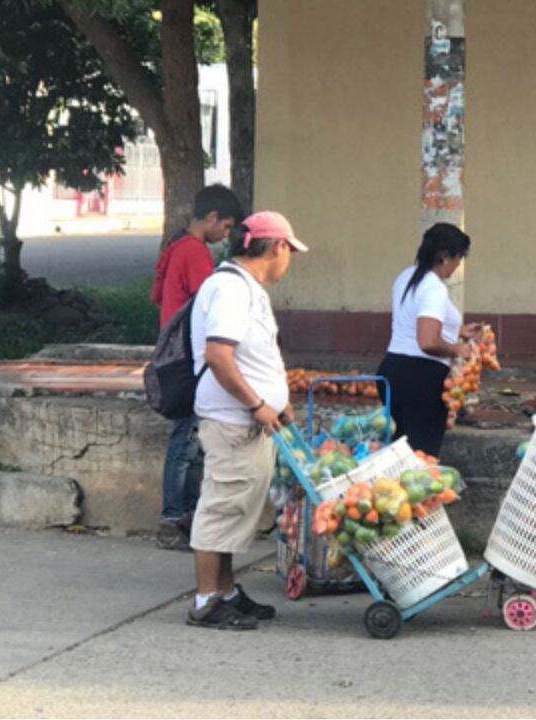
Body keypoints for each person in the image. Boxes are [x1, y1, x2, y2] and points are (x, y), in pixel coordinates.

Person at [186, 210, 308, 630]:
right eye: (289, 252)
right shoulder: (230, 290)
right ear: (277, 247)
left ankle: (226, 592)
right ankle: (205, 600)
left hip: (248, 420)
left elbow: (252, 355)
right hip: (233, 421)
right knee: (222, 508)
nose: (289, 261)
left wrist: (279, 400)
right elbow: (219, 356)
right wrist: (258, 403)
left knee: (237, 510)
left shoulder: (244, 288)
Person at [150, 184, 245, 551]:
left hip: (175, 356)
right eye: (225, 227)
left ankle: (184, 515)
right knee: (186, 443)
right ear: (211, 218)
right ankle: (174, 518)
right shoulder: (194, 253)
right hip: (188, 359)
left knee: (189, 440)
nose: (225, 236)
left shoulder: (175, 247)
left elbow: (159, 296)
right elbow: (212, 307)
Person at [377, 223, 481, 458]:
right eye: (458, 258)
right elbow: (427, 341)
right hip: (421, 379)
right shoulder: (434, 288)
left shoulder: (406, 277)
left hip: (392, 370)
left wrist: (458, 330)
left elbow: (415, 320)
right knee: (422, 458)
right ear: (445, 257)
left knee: (398, 452)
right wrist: (457, 349)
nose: (458, 266)